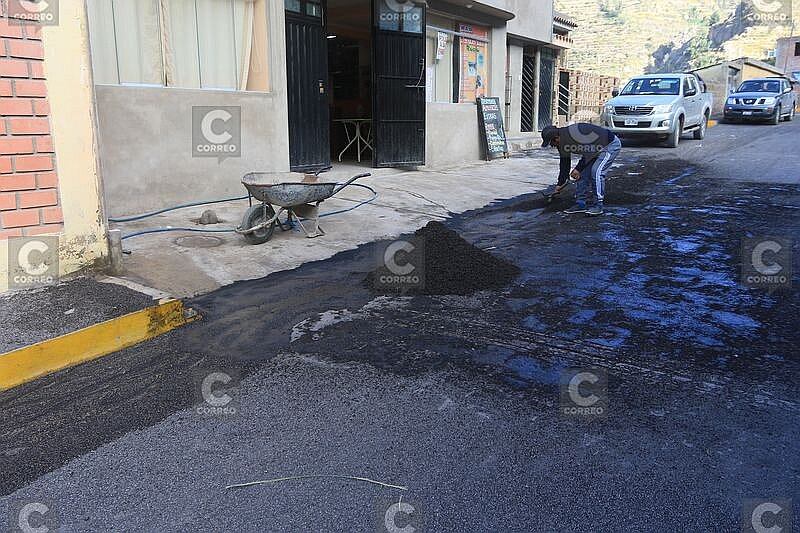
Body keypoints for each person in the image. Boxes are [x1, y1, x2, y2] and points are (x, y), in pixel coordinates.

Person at [541, 123, 622, 216]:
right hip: (595, 149)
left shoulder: (573, 135)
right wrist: (560, 183)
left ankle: (598, 205)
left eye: (552, 143)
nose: (552, 146)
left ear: (556, 138)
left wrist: (578, 169)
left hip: (609, 145)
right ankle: (581, 204)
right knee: (582, 175)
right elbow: (564, 163)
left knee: (596, 172)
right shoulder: (561, 143)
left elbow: (590, 151)